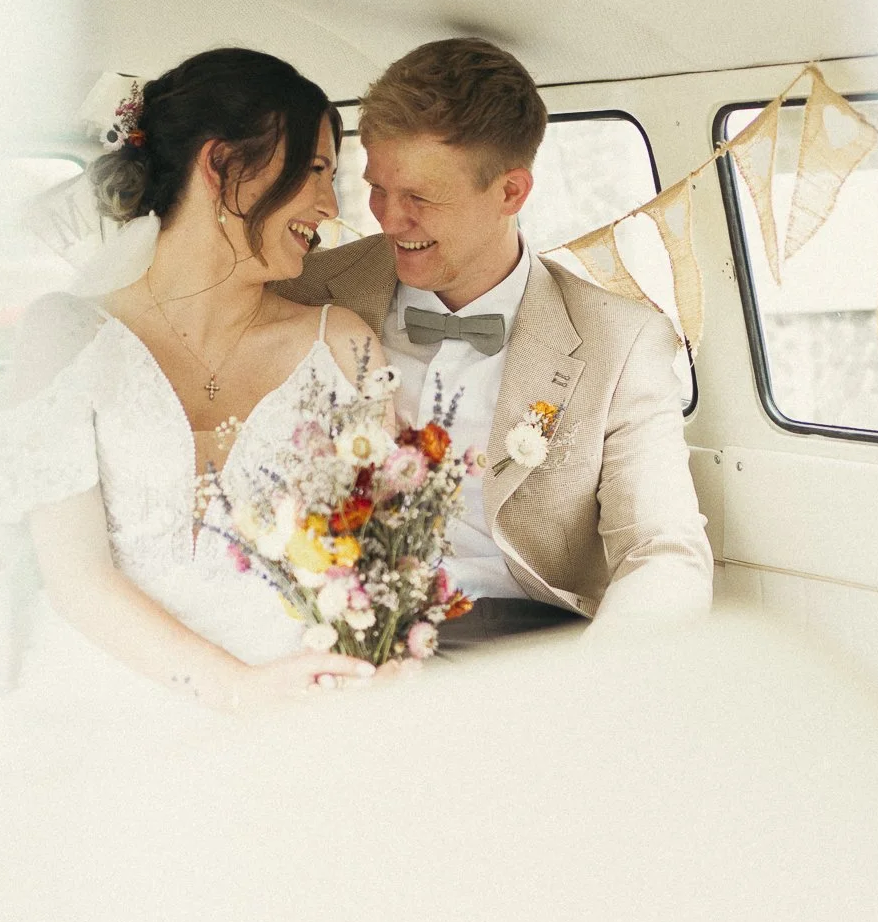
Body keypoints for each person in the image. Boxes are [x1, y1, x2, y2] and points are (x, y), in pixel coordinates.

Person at [0, 47, 386, 723]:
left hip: (308, 698)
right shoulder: (66, 336)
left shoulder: (345, 345)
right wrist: (236, 690)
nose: (331, 203)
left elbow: (380, 555)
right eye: (316, 169)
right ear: (223, 165)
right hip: (114, 705)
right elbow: (78, 579)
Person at [279, 37, 712, 646]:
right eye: (378, 187)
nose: (387, 217)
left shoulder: (620, 342)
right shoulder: (310, 289)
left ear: (510, 192)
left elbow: (662, 546)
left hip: (524, 642)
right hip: (327, 628)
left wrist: (612, 661)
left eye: (420, 198)